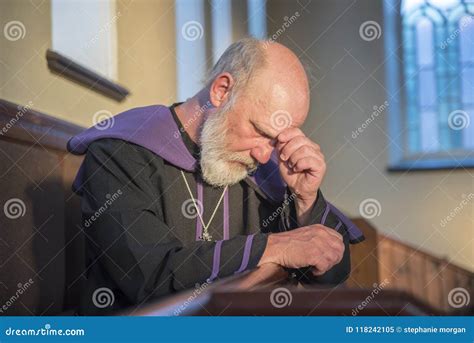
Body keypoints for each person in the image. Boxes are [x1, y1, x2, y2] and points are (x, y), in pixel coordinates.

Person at [68, 38, 365, 315]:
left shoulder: (262, 167)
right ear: (221, 91)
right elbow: (150, 279)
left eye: (276, 141)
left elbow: (332, 273)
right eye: (262, 132)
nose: (265, 156)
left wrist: (305, 200)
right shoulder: (121, 152)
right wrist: (276, 247)